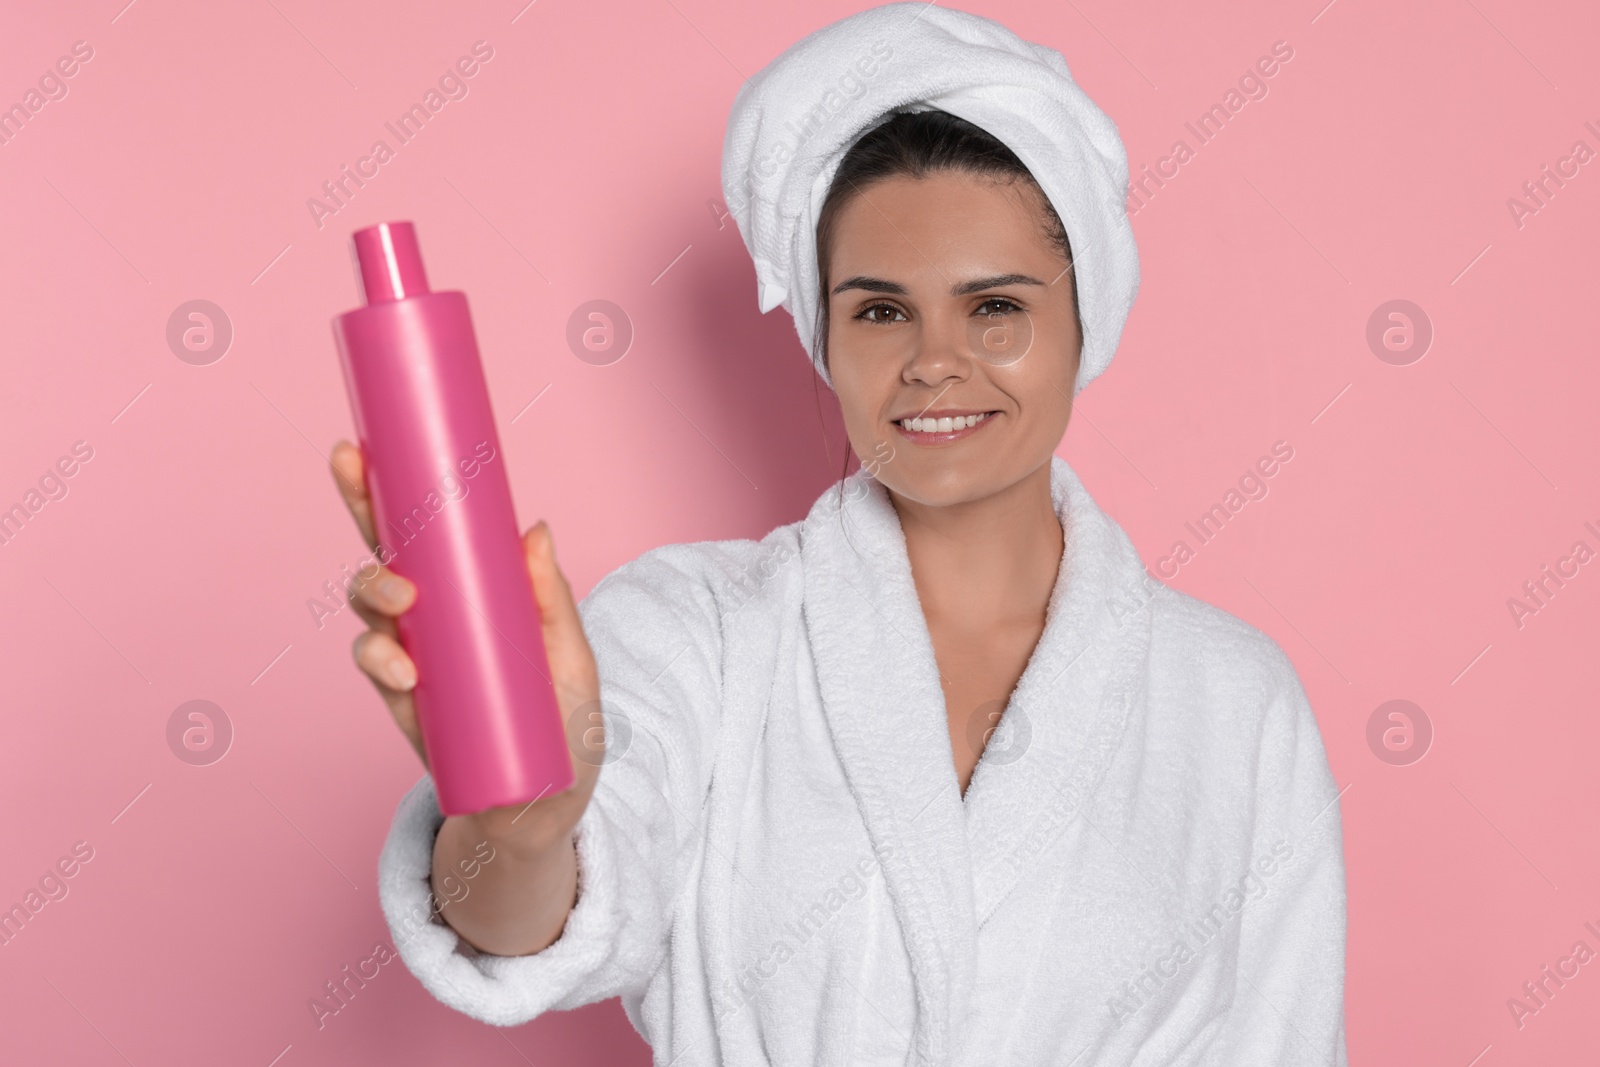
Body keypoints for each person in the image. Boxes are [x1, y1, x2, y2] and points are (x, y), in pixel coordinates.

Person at [330, 4, 1347, 1063]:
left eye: (994, 306)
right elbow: (528, 918)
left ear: (1086, 314)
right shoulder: (700, 632)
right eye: (878, 310)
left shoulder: (1233, 702)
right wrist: (519, 824)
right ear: (824, 334)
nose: (933, 361)